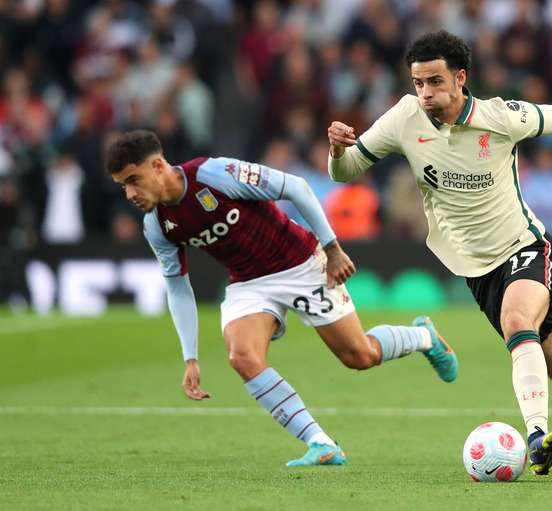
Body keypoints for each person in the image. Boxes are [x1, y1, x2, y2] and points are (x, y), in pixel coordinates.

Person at [327, 30, 552, 476]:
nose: (425, 93)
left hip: (525, 246)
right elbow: (345, 171)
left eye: (434, 81)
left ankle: (536, 436)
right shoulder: (403, 118)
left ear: (460, 77)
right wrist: (337, 149)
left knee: (515, 321)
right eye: (418, 83)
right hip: (477, 269)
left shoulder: (500, 117)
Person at [104, 129, 458, 467]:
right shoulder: (156, 225)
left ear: (158, 166)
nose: (130, 194)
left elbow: (297, 187)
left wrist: (332, 249)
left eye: (133, 181)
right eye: (122, 186)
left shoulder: (213, 174)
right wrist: (190, 358)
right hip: (249, 283)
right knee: (242, 357)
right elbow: (178, 287)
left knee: (359, 355)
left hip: (300, 263)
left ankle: (425, 336)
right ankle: (321, 444)